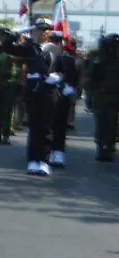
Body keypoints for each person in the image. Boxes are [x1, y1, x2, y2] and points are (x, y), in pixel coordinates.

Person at [0, 20, 59, 176]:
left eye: (46, 29)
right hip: (33, 89)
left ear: (50, 32)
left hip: (48, 91)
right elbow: (9, 49)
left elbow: (63, 70)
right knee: (34, 126)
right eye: (40, 29)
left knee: (46, 127)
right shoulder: (29, 47)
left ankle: (43, 161)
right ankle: (33, 160)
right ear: (35, 31)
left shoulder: (55, 50)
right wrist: (11, 36)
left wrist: (55, 78)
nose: (43, 32)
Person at [49, 32, 79, 168]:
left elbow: (73, 79)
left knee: (60, 127)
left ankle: (58, 153)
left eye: (57, 41)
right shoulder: (42, 56)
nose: (55, 43)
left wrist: (68, 88)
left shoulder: (67, 59)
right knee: (45, 127)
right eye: (53, 40)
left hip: (61, 97)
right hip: (45, 96)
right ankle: (47, 152)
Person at [87, 34, 118, 162]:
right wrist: (89, 97)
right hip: (101, 96)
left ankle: (108, 146)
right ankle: (102, 147)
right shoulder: (98, 61)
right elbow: (91, 81)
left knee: (111, 124)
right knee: (102, 124)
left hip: (113, 97)